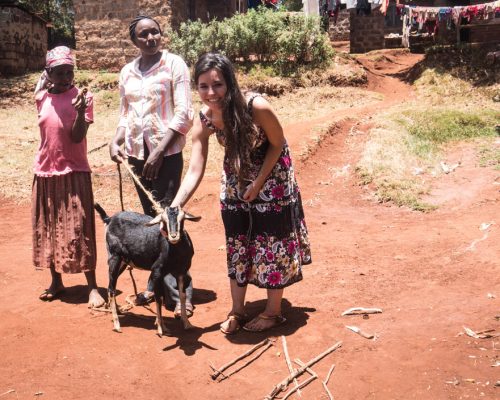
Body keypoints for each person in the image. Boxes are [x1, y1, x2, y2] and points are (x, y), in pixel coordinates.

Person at [168, 52, 311, 334]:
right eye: (203, 86)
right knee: (237, 240)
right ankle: (237, 310)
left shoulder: (255, 106)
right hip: (235, 179)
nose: (211, 93)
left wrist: (258, 183)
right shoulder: (205, 118)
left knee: (272, 242)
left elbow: (278, 143)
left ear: (230, 83)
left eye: (218, 84)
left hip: (272, 176)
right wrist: (175, 205)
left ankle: (273, 312)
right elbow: (196, 167)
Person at [109, 15, 195, 317]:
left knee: (170, 218)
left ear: (161, 34)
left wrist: (159, 151)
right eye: (143, 34)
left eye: (154, 32)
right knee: (151, 220)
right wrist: (116, 141)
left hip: (166, 155)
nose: (150, 38)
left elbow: (185, 113)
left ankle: (180, 294)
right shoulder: (127, 72)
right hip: (136, 156)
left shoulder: (174, 65)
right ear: (134, 41)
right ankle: (158, 283)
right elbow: (125, 114)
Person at [32, 46, 105, 308]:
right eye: (59, 73)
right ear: (48, 73)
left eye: (69, 72)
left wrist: (81, 111)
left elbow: (76, 136)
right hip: (45, 171)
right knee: (49, 226)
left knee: (80, 227)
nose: (65, 77)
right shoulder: (41, 97)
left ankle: (93, 287)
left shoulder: (83, 97)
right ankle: (57, 281)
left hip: (74, 170)